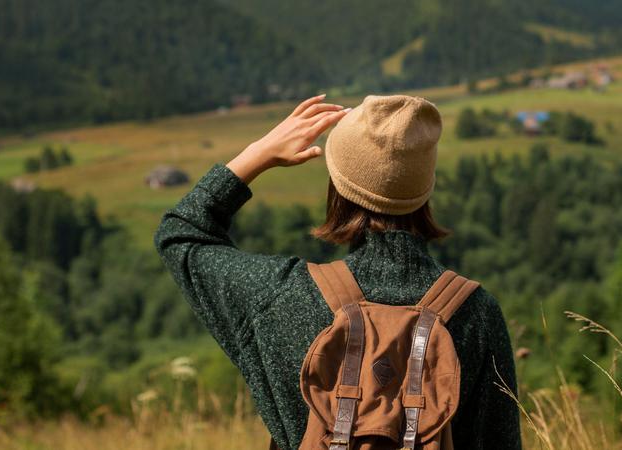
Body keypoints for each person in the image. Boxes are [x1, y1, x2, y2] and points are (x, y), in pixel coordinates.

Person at [155, 94, 521, 449]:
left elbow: (181, 232)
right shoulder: (476, 314)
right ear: (424, 190)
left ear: (338, 185)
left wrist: (259, 154)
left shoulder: (280, 296)